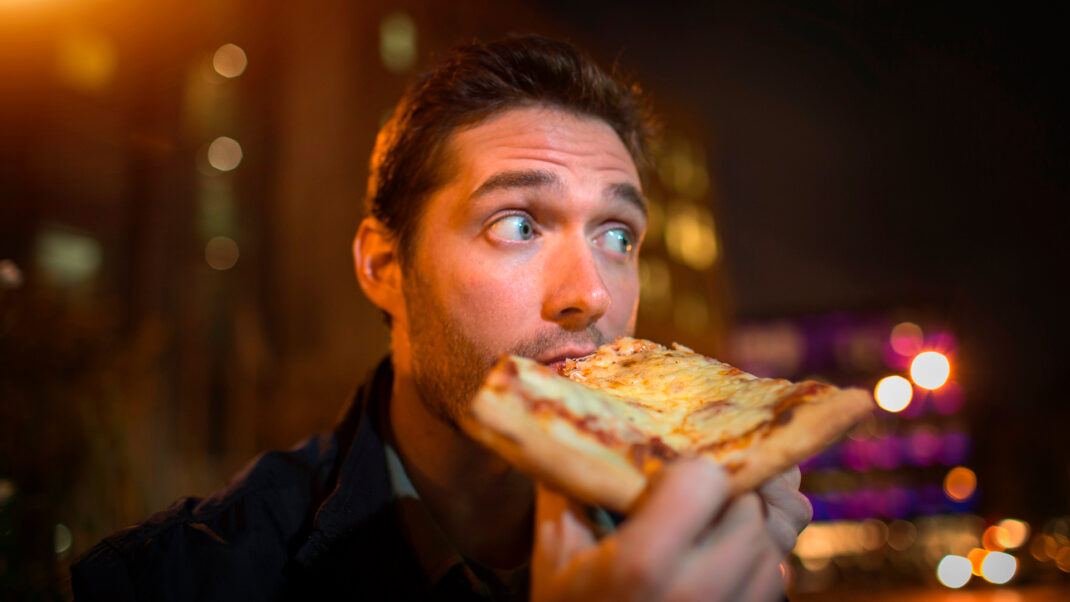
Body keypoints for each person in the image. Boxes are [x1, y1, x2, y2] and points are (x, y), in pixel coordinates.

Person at [71, 34, 811, 601]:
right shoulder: (181, 579)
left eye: (618, 236)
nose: (589, 293)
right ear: (384, 268)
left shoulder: (702, 551)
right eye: (518, 224)